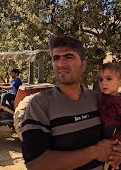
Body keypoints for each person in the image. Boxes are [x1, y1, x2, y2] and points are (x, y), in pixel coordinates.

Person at [21, 36, 121, 169]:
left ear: (83, 65)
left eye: (69, 57)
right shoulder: (40, 104)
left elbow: (111, 137)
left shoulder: (98, 100)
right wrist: (94, 152)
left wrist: (116, 153)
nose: (61, 64)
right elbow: (36, 164)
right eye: (56, 58)